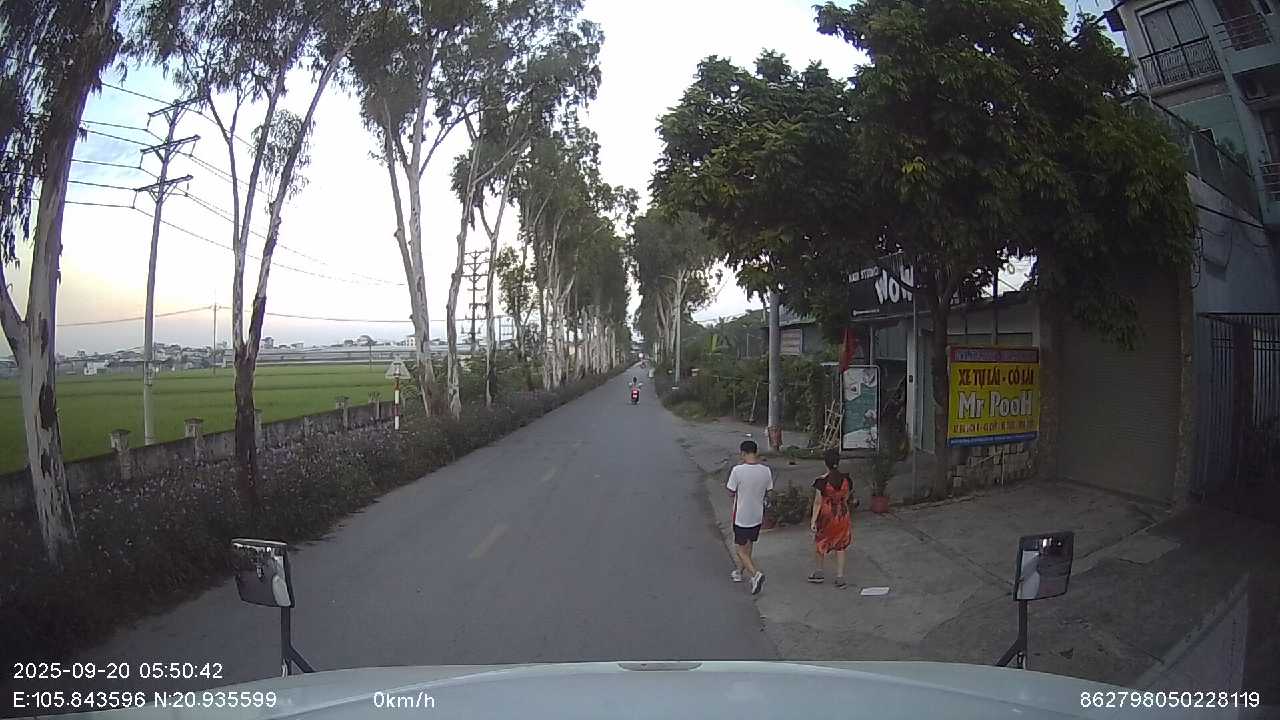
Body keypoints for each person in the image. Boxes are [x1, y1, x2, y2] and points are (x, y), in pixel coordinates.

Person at [727, 440, 772, 595]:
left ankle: (755, 574)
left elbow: (731, 491)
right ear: (756, 452)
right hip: (757, 515)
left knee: (740, 549)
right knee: (749, 544)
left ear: (743, 453)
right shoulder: (766, 471)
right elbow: (769, 491)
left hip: (741, 515)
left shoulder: (737, 471)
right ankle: (739, 571)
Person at [808, 448, 855, 588]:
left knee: (821, 542)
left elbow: (818, 502)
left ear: (825, 463)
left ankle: (819, 572)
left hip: (827, 516)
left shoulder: (821, 482)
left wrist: (813, 520)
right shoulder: (846, 479)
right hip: (842, 514)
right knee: (841, 545)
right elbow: (846, 497)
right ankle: (840, 577)